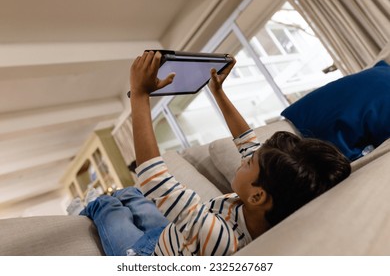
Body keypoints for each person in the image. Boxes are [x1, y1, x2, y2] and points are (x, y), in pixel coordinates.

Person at [79, 51, 351, 256]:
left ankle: (92, 203)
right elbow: (248, 142)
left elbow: (155, 181)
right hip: (175, 235)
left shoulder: (223, 240)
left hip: (146, 256)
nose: (244, 159)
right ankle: (122, 196)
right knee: (132, 195)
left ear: (258, 195)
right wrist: (218, 92)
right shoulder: (264, 203)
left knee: (108, 207)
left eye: (249, 164)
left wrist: (139, 94)